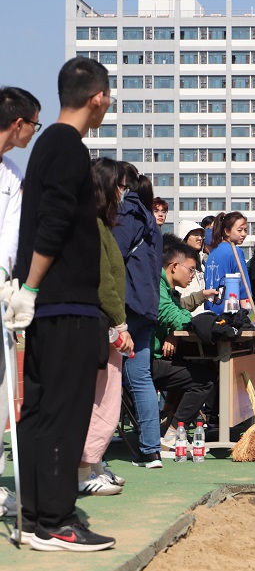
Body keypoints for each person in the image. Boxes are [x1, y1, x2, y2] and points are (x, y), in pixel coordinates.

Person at [5, 57, 116, 550]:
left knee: (41, 412)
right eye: (108, 96)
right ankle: (54, 520)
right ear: (97, 98)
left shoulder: (47, 145)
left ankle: (36, 516)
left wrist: (28, 289)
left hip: (51, 303)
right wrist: (29, 289)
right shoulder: (68, 147)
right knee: (63, 415)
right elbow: (53, 222)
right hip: (64, 303)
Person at [77, 158, 135, 497]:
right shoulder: (92, 223)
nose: (122, 193)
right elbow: (104, 282)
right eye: (119, 186)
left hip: (104, 323)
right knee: (101, 400)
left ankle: (94, 464)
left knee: (105, 399)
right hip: (101, 324)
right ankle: (84, 470)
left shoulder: (99, 223)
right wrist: (121, 323)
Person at [0, 85, 41, 517]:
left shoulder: (11, 174)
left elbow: (11, 237)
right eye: (34, 124)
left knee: (1, 390)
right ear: (18, 123)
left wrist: (9, 280)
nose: (34, 131)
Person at [115, 160, 164, 470]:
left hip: (127, 306)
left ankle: (91, 451)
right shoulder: (148, 218)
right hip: (145, 306)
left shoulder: (126, 214)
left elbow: (112, 256)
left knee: (111, 375)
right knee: (141, 378)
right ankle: (150, 449)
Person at [156, 243, 216, 449]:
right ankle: (172, 434)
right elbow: (169, 313)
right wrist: (191, 324)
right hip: (145, 360)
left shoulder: (168, 288)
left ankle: (166, 421)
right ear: (174, 266)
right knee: (204, 380)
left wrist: (175, 332)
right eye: (191, 270)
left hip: (156, 356)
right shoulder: (156, 285)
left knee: (200, 367)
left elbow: (178, 310)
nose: (193, 275)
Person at [204, 211, 252, 314]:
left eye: (245, 230)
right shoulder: (235, 251)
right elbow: (244, 289)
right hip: (229, 312)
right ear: (227, 231)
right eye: (239, 230)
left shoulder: (213, 251)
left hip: (210, 311)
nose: (244, 234)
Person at [175, 220, 215, 316]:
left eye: (201, 235)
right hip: (184, 316)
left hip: (201, 316)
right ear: (185, 236)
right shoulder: (177, 264)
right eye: (195, 235)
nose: (199, 238)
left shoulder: (202, 263)